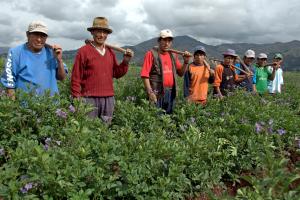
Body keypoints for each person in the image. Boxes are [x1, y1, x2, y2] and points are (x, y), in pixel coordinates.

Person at [71, 17, 133, 124]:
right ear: (92, 32)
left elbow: (116, 73)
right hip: (89, 99)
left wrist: (125, 62)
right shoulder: (83, 52)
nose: (102, 35)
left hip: (108, 99)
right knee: (88, 131)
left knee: (105, 133)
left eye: (104, 32)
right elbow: (76, 78)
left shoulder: (110, 52)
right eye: (98, 31)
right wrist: (77, 99)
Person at [0, 20, 66, 99]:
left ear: (46, 37)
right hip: (25, 109)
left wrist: (59, 60)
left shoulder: (52, 52)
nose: (39, 39)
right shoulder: (15, 53)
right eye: (35, 35)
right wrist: (13, 107)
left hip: (51, 107)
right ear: (27, 34)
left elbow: (61, 77)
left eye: (42, 36)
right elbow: (9, 83)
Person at [140, 29, 191, 114]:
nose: (167, 43)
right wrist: (150, 92)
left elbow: (181, 73)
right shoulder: (151, 54)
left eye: (169, 41)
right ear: (159, 41)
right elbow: (145, 75)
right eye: (164, 40)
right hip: (157, 93)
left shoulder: (173, 55)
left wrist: (186, 62)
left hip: (170, 92)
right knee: (156, 118)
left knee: (168, 119)